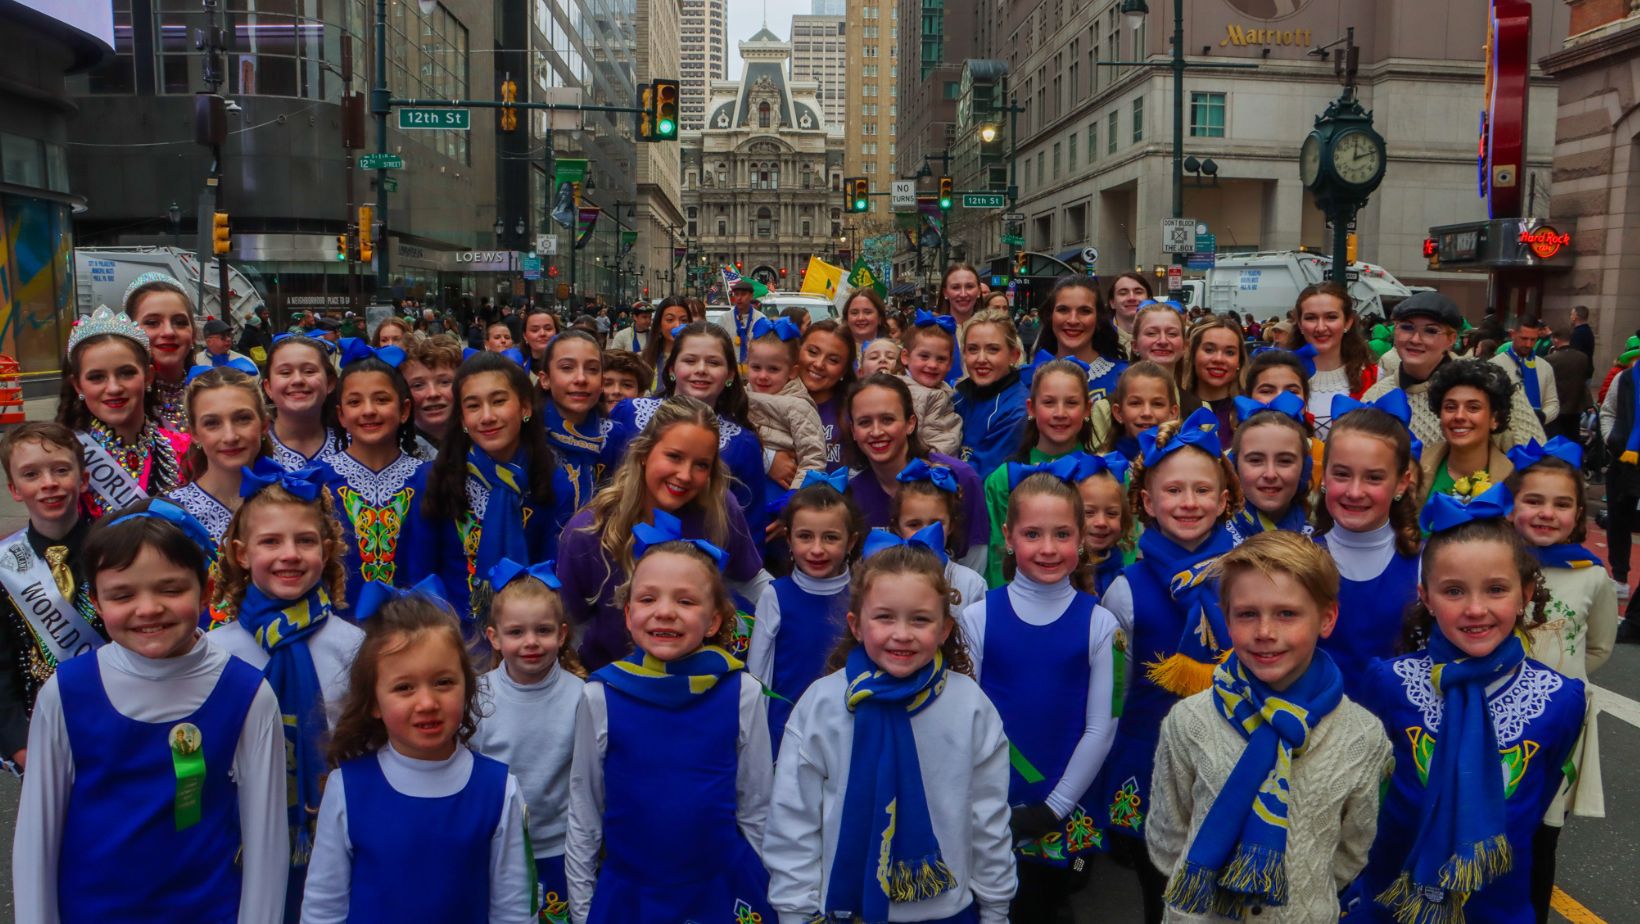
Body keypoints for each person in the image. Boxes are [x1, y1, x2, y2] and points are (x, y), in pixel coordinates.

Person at [13, 501, 288, 923]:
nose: (147, 609)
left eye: (171, 589)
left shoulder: (247, 693)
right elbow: (37, 837)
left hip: (208, 910)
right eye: (122, 594)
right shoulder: (66, 693)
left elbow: (267, 837)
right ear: (97, 603)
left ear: (206, 591)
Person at [1348, 490, 1585, 924]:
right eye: (1454, 591)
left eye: (1496, 589)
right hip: (1389, 900)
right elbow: (1362, 789)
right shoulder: (1389, 683)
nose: (1476, 609)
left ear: (1524, 593)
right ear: (1426, 596)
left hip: (1498, 907)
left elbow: (1540, 793)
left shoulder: (1560, 700)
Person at [763, 542, 1016, 923]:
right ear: (856, 625)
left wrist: (996, 908)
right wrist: (793, 911)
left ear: (945, 629)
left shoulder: (971, 708)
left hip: (948, 911)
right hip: (845, 911)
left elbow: (989, 818)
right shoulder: (823, 705)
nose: (902, 634)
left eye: (920, 619)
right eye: (884, 617)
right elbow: (793, 820)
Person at [1146, 532, 1392, 922]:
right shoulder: (1189, 721)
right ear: (1226, 618)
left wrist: (1301, 883)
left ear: (1326, 618)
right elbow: (1167, 838)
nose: (1265, 632)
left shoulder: (1362, 736)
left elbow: (1353, 849)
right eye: (1247, 614)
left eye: (1286, 614)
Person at [564, 538, 775, 923]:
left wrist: (772, 891)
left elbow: (756, 807)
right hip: (630, 899)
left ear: (713, 620)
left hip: (720, 894)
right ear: (628, 615)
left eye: (685, 601)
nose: (665, 612)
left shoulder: (742, 692)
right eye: (648, 599)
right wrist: (582, 910)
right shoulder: (600, 696)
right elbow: (584, 812)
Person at [300, 593, 535, 923]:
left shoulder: (499, 790)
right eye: (404, 688)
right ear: (374, 703)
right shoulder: (347, 789)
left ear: (467, 688)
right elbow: (323, 909)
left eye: (443, 682)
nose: (427, 702)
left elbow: (514, 911)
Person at [1098, 407, 1240, 923]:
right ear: (1147, 502)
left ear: (1224, 500)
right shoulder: (1124, 590)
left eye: (1202, 490)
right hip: (1150, 766)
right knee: (1161, 900)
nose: (1188, 502)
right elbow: (1114, 697)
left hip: (1234, 765)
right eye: (1173, 490)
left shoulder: (1251, 574)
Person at [961, 471, 1119, 920]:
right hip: (988, 805)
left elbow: (1102, 727)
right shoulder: (976, 618)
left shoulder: (1103, 625)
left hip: (1062, 805)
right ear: (1009, 537)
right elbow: (965, 720)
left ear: (1081, 538)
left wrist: (1055, 808)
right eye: (1033, 534)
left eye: (1062, 534)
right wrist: (982, 802)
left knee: (1048, 908)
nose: (1048, 548)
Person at [209, 464, 364, 917]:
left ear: (328, 549)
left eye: (305, 540)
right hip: (236, 835)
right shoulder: (216, 651)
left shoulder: (353, 646)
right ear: (241, 553)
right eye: (271, 542)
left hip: (334, 836)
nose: (289, 554)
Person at [556, 397, 767, 670]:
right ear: (644, 453)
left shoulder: (720, 508)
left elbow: (752, 583)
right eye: (674, 457)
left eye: (701, 465)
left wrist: (795, 606)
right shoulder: (589, 531)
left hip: (698, 679)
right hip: (616, 683)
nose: (685, 475)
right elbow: (571, 628)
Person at [1505, 438, 1616, 917]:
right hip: (1495, 720)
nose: (1546, 513)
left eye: (1562, 503)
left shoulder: (1592, 576)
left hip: (1557, 726)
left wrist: (1558, 685)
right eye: (1533, 500)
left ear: (1578, 515)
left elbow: (1598, 646)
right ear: (1510, 507)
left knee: (1542, 835)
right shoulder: (1495, 562)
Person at [472, 560, 588, 923]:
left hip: (560, 850)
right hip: (495, 849)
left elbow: (588, 782)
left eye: (543, 630)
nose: (531, 642)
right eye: (516, 632)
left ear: (562, 633)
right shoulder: (478, 697)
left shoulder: (582, 697)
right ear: (494, 637)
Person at [423, 352, 559, 635]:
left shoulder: (555, 480)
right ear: (462, 418)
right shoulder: (436, 479)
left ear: (524, 408)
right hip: (460, 638)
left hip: (533, 640)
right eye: (473, 406)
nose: (487, 417)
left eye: (498, 401)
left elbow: (561, 571)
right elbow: (422, 572)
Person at [0, 423, 108, 775]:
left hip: (120, 721)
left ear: (83, 479)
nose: (48, 482)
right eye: (31, 474)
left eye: (61, 470)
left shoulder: (117, 551)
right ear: (14, 489)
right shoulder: (4, 566)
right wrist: (19, 746)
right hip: (41, 732)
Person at [610, 321, 770, 547]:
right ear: (672, 368)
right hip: (617, 546)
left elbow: (749, 531)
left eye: (713, 362)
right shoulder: (629, 414)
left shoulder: (742, 444)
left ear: (730, 375)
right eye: (690, 360)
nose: (701, 369)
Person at [1314, 394, 1423, 700]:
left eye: (1374, 478)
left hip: (1399, 731)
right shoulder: (1298, 556)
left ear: (1402, 483)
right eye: (1342, 474)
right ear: (1324, 475)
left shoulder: (1425, 562)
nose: (1355, 491)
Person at [318, 344, 434, 612]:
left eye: (382, 400)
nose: (368, 410)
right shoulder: (317, 482)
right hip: (339, 630)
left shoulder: (428, 478)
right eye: (355, 402)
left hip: (413, 629)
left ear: (404, 410)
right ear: (341, 415)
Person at [748, 478, 863, 746]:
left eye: (831, 537)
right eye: (805, 536)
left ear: (850, 542)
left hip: (848, 730)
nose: (817, 549)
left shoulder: (864, 595)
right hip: (786, 733)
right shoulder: (775, 595)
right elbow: (758, 676)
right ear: (788, 538)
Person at [1363, 290, 1545, 453]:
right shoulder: (1377, 396)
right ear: (1395, 332)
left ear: (1451, 339)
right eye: (1407, 327)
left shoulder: (1489, 383)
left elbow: (1535, 456)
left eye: (1431, 331)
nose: (1416, 339)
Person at [844, 373, 991, 571]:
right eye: (864, 422)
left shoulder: (958, 477)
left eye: (887, 419)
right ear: (853, 431)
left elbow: (975, 565)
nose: (876, 431)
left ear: (910, 423)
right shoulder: (852, 493)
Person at [56, 306, 190, 516]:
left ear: (148, 377)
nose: (114, 388)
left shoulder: (183, 449)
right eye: (96, 377)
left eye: (126, 373)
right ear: (78, 386)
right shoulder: (64, 457)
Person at [982, 358, 1099, 585]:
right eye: (1049, 402)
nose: (1060, 413)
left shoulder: (1104, 474)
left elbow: (1125, 546)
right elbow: (998, 555)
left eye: (1071, 403)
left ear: (1087, 409)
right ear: (1031, 408)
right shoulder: (1005, 478)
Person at [538, 330, 632, 549]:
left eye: (592, 369)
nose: (581, 379)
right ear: (545, 379)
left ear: (601, 382)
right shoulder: (528, 436)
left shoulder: (616, 436)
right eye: (567, 368)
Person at [165, 368, 275, 548]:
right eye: (212, 423)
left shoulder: (294, 496)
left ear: (264, 425)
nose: (230, 436)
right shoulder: (173, 516)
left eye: (242, 419)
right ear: (194, 434)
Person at [1284, 282, 1377, 437]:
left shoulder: (1374, 377)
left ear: (1348, 322)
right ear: (1299, 324)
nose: (1320, 327)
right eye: (1311, 318)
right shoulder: (1278, 376)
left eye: (1331, 317)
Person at [744, 318, 828, 490]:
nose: (763, 376)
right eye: (756, 367)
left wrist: (793, 500)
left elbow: (814, 458)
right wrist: (768, 460)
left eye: (773, 369)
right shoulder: (739, 398)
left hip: (780, 492)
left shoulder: (798, 407)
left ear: (792, 372)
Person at [1419, 358, 1518, 504]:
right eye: (1450, 407)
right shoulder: (1414, 469)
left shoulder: (1514, 482)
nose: (1459, 416)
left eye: (1473, 408)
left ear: (1494, 419)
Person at [891, 462, 989, 608]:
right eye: (914, 524)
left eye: (935, 524)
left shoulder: (971, 584)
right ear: (897, 528)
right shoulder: (885, 578)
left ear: (951, 526)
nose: (926, 533)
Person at [1226, 391, 1313, 543]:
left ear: (1304, 470)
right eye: (1255, 460)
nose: (1270, 474)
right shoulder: (1208, 540)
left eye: (1285, 461)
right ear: (1234, 467)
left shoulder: (1320, 541)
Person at [124, 273, 204, 431]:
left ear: (193, 333)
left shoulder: (213, 391)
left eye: (180, 322)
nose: (169, 332)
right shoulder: (119, 399)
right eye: (152, 323)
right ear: (129, 332)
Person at [954, 309, 1028, 481]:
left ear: (1014, 355)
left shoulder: (1017, 411)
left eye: (992, 349)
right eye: (972, 349)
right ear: (964, 354)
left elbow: (977, 478)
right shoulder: (957, 398)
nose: (981, 359)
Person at [1026, 276, 1127, 401]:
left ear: (1098, 318)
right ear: (1050, 316)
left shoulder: (1125, 376)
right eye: (1063, 310)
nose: (1073, 320)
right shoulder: (1026, 378)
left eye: (1085, 311)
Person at [263, 334, 347, 471]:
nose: (297, 380)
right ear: (268, 387)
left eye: (309, 371)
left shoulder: (351, 443)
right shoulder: (252, 448)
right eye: (285, 372)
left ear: (330, 383)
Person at [797, 319, 858, 470]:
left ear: (844, 370)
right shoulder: (771, 399)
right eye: (812, 352)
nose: (819, 364)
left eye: (833, 360)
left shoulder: (855, 411)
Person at [1179, 315, 1246, 439]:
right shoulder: (1175, 406)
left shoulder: (1250, 411)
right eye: (1209, 350)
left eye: (1229, 352)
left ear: (1239, 362)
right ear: (1193, 355)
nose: (1219, 359)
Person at [1100, 360, 1180, 463]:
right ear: (1118, 413)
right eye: (1135, 403)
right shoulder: (1103, 466)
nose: (1146, 413)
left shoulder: (1185, 462)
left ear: (1173, 413)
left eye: (1157, 404)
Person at [399, 332, 462, 461]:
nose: (433, 394)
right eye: (418, 385)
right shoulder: (392, 450)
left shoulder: (482, 440)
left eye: (444, 382)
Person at [1491, 315, 1560, 426]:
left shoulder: (1545, 367)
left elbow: (1552, 402)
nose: (1528, 344)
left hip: (1537, 432)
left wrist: (1542, 417)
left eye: (1533, 340)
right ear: (1513, 335)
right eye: (1524, 338)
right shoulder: (1495, 365)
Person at [1544, 324, 1592, 443]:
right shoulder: (1583, 358)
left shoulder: (1550, 359)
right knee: (1573, 440)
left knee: (1555, 442)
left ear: (1556, 340)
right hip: (1576, 407)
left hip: (1557, 407)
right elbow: (1584, 379)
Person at [640, 297, 694, 390]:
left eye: (684, 320)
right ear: (659, 324)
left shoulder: (699, 359)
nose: (677, 325)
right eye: (670, 320)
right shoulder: (643, 360)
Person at [1108, 272, 1154, 353]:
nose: (1131, 298)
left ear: (1149, 300)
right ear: (1112, 303)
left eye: (1138, 292)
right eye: (1123, 293)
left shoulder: (1163, 339)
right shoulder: (1098, 339)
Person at [201, 317, 260, 381]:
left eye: (229, 335)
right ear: (209, 341)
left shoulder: (245, 362)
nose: (228, 339)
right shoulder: (197, 362)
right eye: (223, 337)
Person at [598, 349, 652, 415]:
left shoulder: (653, 424)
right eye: (607, 384)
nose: (616, 391)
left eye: (627, 385)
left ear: (640, 393)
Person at [842, 288, 892, 356]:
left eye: (867, 312)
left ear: (880, 317)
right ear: (846, 318)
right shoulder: (836, 350)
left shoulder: (894, 353)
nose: (860, 318)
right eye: (854, 313)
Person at [725, 278, 762, 369]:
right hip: (731, 368)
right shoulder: (724, 319)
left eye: (743, 294)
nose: (739, 298)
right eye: (736, 295)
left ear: (751, 296)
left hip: (753, 368)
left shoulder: (760, 319)